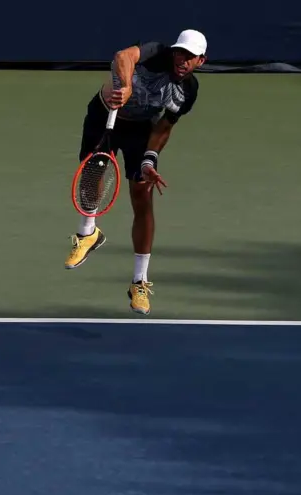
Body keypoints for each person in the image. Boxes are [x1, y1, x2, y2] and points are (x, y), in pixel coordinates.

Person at [64, 29, 208, 315]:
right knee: (93, 169)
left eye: (190, 57)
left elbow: (164, 127)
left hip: (141, 130)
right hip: (104, 115)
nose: (182, 60)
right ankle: (87, 233)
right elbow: (123, 56)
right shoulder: (157, 53)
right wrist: (127, 85)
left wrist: (149, 161)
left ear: (200, 61)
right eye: (181, 52)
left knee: (142, 197)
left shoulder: (188, 91)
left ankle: (139, 281)